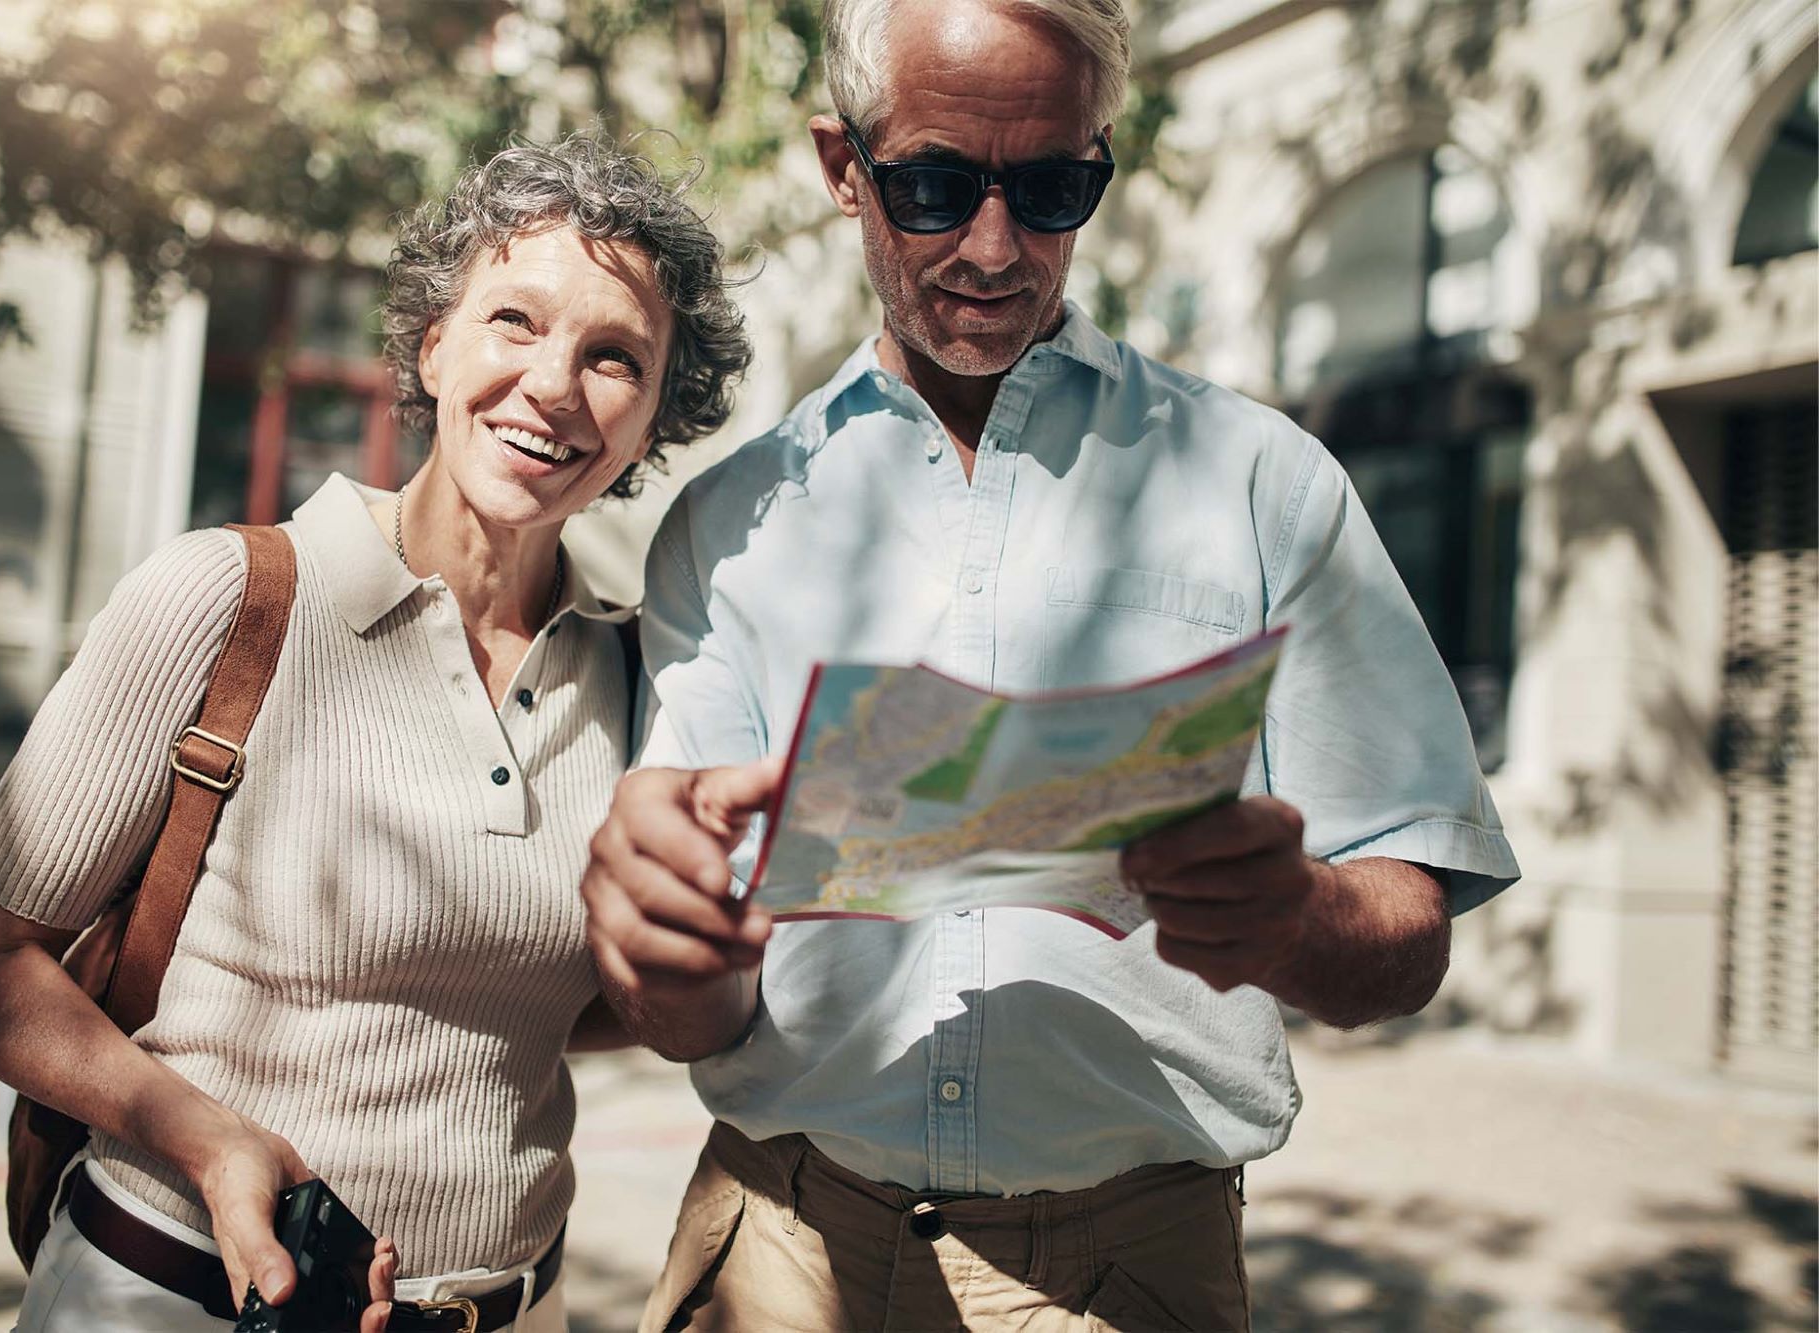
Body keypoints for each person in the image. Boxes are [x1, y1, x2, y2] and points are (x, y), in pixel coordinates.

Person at [577, 1, 1522, 1328]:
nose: (993, 246)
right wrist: (663, 949)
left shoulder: (1262, 484)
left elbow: (1405, 935)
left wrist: (1297, 916)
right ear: (842, 166)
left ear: (1102, 159)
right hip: (779, 1243)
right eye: (933, 186)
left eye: (1053, 188)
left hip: (1129, 1266)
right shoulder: (730, 527)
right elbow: (696, 1014)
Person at [0, 132, 750, 1332]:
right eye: (513, 321)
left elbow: (554, 989)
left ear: (654, 415)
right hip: (178, 1292)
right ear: (431, 342)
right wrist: (204, 1139)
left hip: (513, 1309)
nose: (556, 388)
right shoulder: (229, 599)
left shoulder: (632, 668)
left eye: (613, 357)